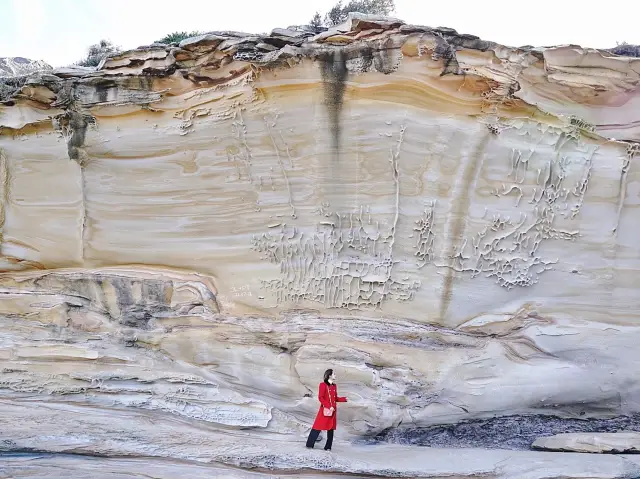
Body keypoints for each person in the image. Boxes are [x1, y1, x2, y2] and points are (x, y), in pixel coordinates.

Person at [305, 368, 347, 451]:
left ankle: (328, 447)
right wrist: (328, 406)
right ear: (330, 375)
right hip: (325, 410)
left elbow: (335, 398)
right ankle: (309, 445)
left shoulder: (334, 386)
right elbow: (321, 398)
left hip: (333, 410)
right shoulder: (323, 385)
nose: (335, 375)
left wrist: (344, 399)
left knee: (331, 428)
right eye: (334, 374)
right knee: (317, 426)